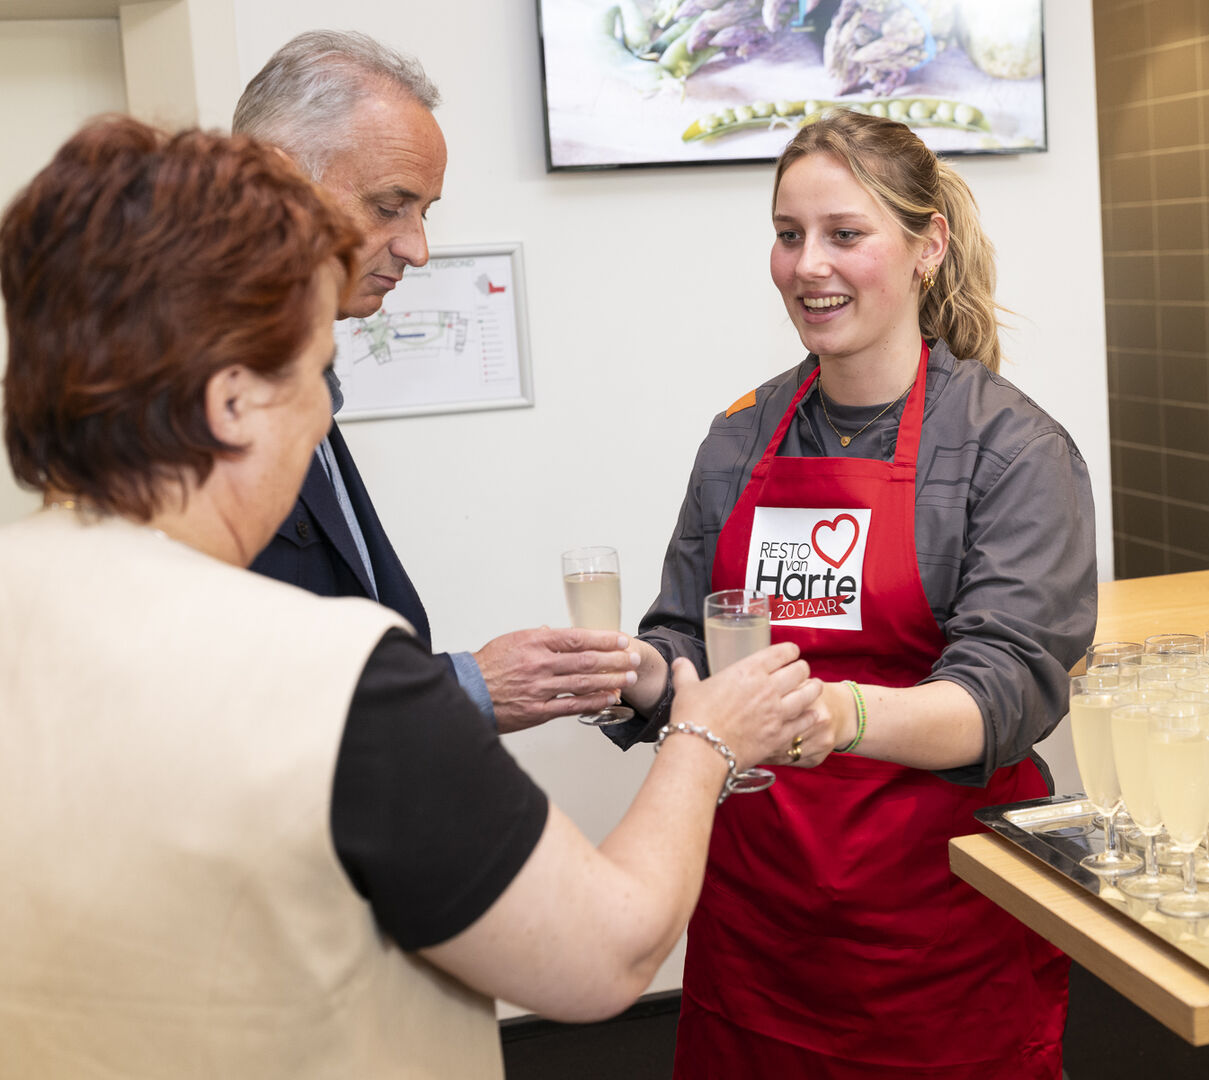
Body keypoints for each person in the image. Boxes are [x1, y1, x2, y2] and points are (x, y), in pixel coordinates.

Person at [0, 117, 825, 1077]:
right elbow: (606, 954)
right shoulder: (332, 681)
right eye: (313, 371)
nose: (320, 408)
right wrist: (705, 738)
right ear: (229, 405)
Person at [610, 109, 1098, 1078]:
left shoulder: (1010, 451)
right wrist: (635, 676)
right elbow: (687, 645)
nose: (806, 265)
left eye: (843, 234)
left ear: (927, 246)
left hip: (937, 929)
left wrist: (833, 716)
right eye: (788, 235)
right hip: (755, 925)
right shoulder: (740, 437)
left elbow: (1003, 695)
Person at [233, 30, 634, 733]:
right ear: (276, 180)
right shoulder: (205, 390)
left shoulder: (304, 369)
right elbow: (238, 684)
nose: (417, 249)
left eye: (425, 211)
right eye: (390, 206)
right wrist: (470, 686)